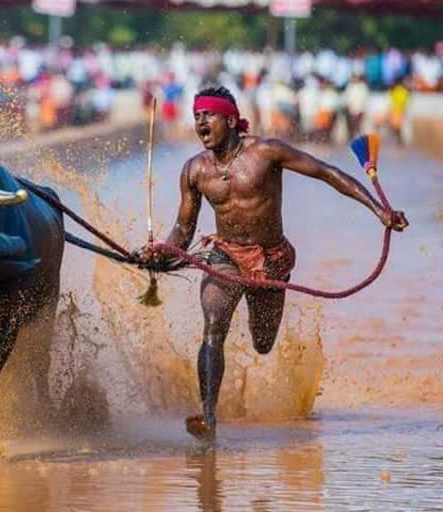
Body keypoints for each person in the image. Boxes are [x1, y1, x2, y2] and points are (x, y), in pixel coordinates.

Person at [141, 86, 408, 442]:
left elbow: (327, 173)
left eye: (209, 115)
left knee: (263, 341)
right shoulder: (195, 170)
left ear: (231, 120)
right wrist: (162, 251)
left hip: (271, 260)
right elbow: (183, 230)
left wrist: (380, 211)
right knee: (213, 325)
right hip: (226, 257)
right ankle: (208, 417)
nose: (201, 121)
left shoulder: (267, 152)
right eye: (197, 116)